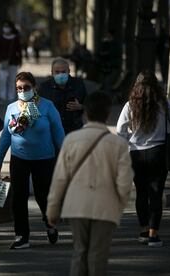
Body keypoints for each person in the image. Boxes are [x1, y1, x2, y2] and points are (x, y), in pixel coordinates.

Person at [47, 92, 133, 276]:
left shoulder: (71, 140)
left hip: (76, 206)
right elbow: (125, 182)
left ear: (86, 113)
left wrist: (52, 210)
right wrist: (119, 206)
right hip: (105, 208)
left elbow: (59, 178)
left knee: (79, 252)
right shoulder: (118, 144)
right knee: (98, 256)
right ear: (108, 114)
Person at [0, 72, 65, 249]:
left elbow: (58, 133)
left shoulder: (47, 107)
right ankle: (21, 236)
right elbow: (5, 137)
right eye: (19, 88)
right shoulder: (12, 108)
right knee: (19, 197)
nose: (22, 91)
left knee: (43, 197)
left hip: (44, 159)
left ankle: (50, 224)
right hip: (20, 158)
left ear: (35, 87)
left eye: (26, 87)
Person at [116, 71, 170, 247]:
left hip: (136, 154)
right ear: (156, 85)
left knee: (141, 192)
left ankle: (143, 230)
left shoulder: (130, 105)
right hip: (159, 153)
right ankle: (154, 234)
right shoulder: (164, 104)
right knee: (156, 193)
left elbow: (120, 130)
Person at [39, 57, 87, 134]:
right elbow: (38, 108)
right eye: (57, 72)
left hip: (74, 130)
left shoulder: (79, 84)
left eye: (63, 72)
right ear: (52, 73)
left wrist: (80, 106)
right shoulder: (44, 87)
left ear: (69, 71)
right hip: (51, 130)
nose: (60, 75)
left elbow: (90, 105)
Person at [0, 20, 22, 104]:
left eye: (7, 27)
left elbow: (19, 50)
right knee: (2, 79)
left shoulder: (15, 38)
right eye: (5, 27)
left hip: (13, 62)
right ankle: (2, 97)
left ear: (11, 28)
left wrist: (20, 60)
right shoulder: (1, 37)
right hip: (2, 62)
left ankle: (11, 97)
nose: (6, 29)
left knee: (12, 80)